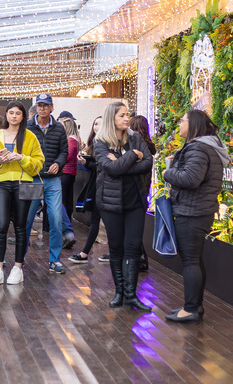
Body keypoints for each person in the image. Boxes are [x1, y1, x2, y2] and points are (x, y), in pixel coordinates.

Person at [163, 109, 230, 323]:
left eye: (182, 121)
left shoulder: (198, 148)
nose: (179, 125)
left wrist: (168, 172)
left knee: (191, 261)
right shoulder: (205, 147)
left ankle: (191, 308)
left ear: (192, 124)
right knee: (194, 260)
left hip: (192, 212)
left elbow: (191, 179)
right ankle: (194, 306)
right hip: (199, 210)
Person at [95, 102, 153, 311]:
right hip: (110, 203)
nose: (127, 118)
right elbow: (111, 168)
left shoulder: (136, 137)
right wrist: (131, 157)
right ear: (112, 118)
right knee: (116, 249)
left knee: (132, 248)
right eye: (122, 115)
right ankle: (119, 293)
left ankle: (131, 295)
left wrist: (122, 163)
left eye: (127, 115)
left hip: (135, 201)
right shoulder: (101, 142)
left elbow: (148, 163)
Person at [0, 101, 44, 285]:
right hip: (2, 183)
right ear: (6, 115)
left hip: (23, 183)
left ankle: (18, 268)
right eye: (11, 113)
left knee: (20, 226)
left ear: (23, 116)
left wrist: (22, 158)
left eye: (18, 113)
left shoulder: (29, 136)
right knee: (0, 225)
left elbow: (38, 163)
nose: (14, 116)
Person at [25, 94, 69, 274]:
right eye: (39, 105)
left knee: (56, 219)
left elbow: (64, 151)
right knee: (26, 220)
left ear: (52, 107)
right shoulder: (27, 127)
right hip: (32, 178)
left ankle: (55, 260)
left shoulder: (59, 128)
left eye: (45, 105)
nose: (42, 108)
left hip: (53, 180)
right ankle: (21, 258)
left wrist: (58, 163)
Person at [68, 115, 104, 264]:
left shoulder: (105, 143)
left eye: (100, 124)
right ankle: (85, 252)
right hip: (96, 185)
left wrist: (88, 163)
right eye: (95, 123)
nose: (96, 127)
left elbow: (104, 167)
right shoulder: (94, 143)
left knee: (101, 220)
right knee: (96, 220)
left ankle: (84, 253)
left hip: (103, 187)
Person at [130, 115, 157, 272]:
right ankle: (140, 258)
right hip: (143, 189)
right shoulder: (149, 147)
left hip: (135, 189)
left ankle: (140, 259)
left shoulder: (138, 147)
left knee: (133, 228)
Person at [60, 117, 81, 248]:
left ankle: (66, 230)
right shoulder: (73, 139)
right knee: (64, 201)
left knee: (61, 201)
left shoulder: (71, 140)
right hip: (68, 173)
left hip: (66, 173)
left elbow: (66, 156)